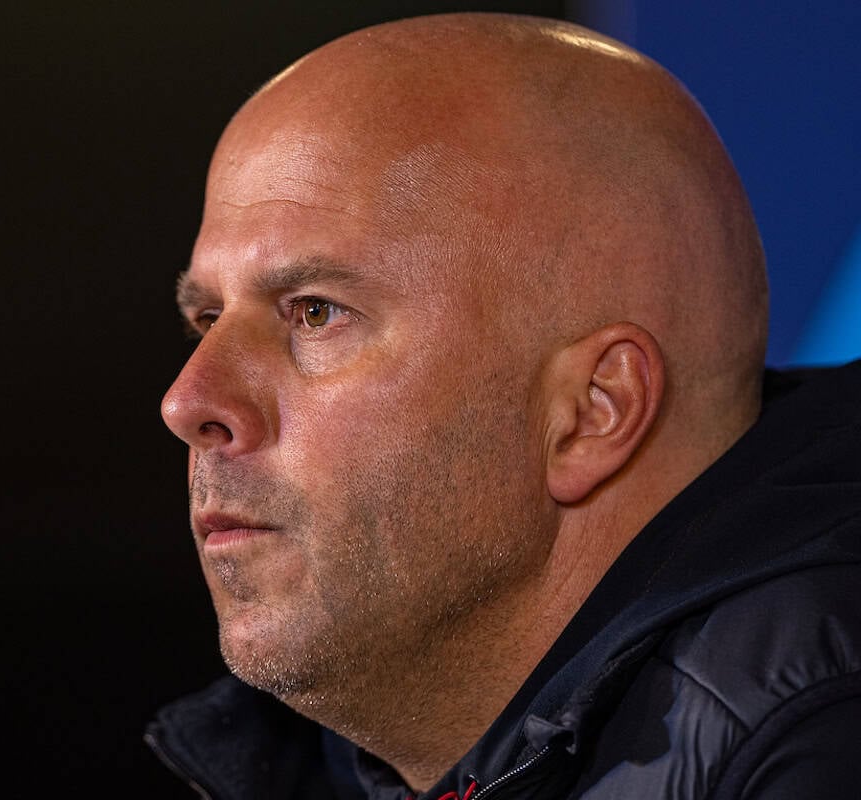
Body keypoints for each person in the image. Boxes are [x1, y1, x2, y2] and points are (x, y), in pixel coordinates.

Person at [146, 12, 861, 799]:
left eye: (314, 312)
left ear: (592, 411)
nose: (187, 401)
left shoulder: (816, 740)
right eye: (207, 319)